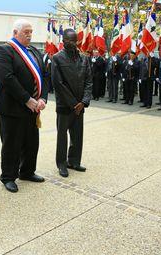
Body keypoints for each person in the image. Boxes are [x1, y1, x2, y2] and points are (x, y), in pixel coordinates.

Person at [0, 19, 48, 193]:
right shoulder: (4, 50)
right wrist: (27, 99)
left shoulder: (33, 51)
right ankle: (8, 176)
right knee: (12, 144)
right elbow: (7, 78)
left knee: (32, 142)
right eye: (26, 32)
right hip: (12, 108)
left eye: (31, 31)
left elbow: (43, 76)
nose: (29, 35)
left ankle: (27, 171)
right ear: (15, 33)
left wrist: (42, 98)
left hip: (33, 108)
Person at [51, 28, 92, 178]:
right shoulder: (57, 58)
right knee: (62, 136)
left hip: (80, 105)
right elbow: (58, 83)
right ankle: (62, 164)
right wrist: (73, 103)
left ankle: (74, 161)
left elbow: (89, 81)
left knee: (77, 135)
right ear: (63, 41)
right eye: (69, 41)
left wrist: (83, 102)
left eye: (75, 41)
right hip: (65, 106)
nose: (72, 43)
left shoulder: (84, 58)